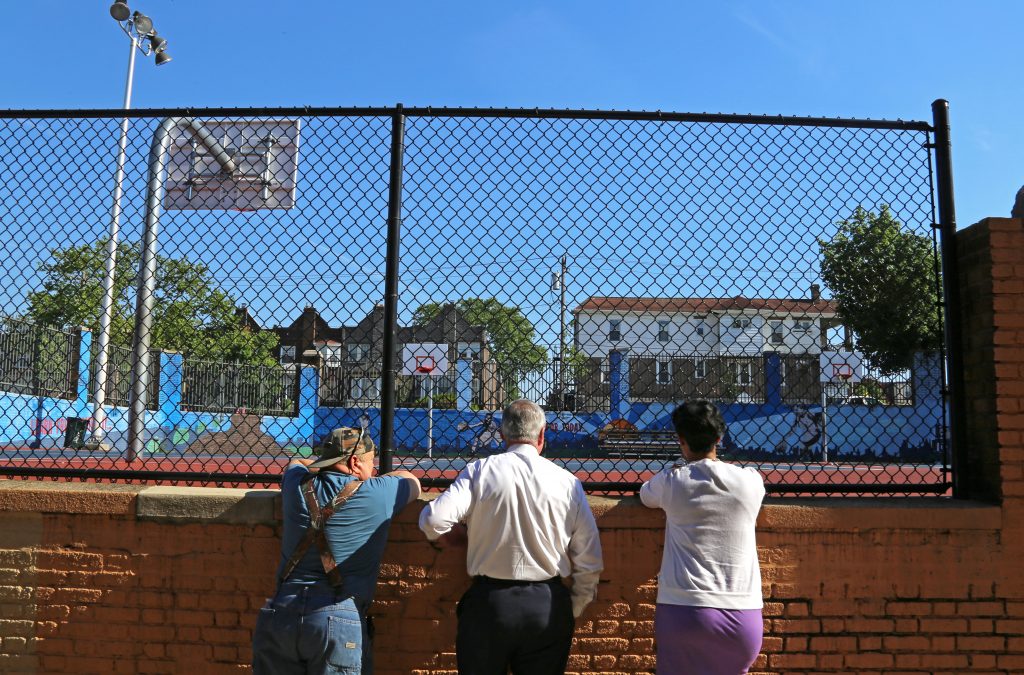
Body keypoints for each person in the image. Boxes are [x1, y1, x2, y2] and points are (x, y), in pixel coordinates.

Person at [419, 399, 604, 675]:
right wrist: (572, 608)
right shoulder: (568, 483)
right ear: (542, 435)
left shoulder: (480, 471)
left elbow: (433, 519)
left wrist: (454, 533)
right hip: (547, 603)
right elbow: (589, 559)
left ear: (503, 435)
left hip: (489, 603)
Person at [252, 427, 421, 674]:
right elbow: (412, 481)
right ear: (354, 461)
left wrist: (324, 463)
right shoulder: (377, 493)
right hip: (337, 616)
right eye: (369, 462)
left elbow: (297, 462)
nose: (372, 470)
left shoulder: (296, 484)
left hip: (281, 612)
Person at [640, 400, 766, 675]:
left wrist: (672, 471)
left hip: (685, 609)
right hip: (743, 613)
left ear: (681, 440)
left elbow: (645, 495)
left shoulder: (672, 481)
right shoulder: (751, 481)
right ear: (719, 438)